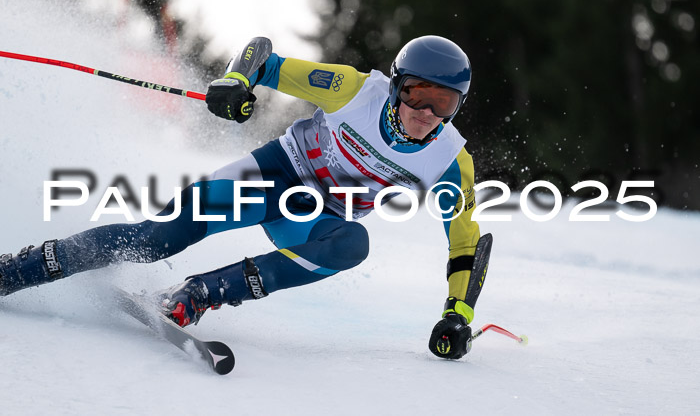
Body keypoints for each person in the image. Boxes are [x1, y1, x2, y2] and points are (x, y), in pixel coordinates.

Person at [0, 35, 488, 360]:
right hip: (272, 177)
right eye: (418, 93)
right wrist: (235, 82)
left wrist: (457, 315)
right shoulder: (352, 90)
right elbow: (262, 57)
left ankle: (199, 292)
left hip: (315, 217)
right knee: (158, 237)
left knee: (352, 244)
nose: (426, 111)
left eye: (444, 102)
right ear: (397, 85)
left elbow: (464, 243)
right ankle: (18, 269)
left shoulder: (448, 160)